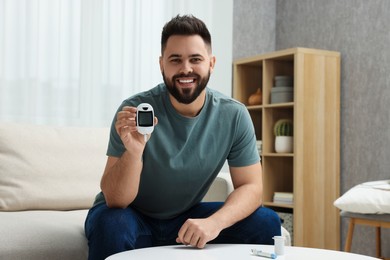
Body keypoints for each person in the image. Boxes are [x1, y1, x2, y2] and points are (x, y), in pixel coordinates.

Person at [84, 14, 281, 260]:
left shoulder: (234, 115)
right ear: (161, 64)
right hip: (130, 215)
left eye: (195, 59)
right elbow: (116, 200)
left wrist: (214, 223)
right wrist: (134, 153)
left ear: (211, 63)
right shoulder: (133, 111)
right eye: (175, 59)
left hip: (183, 219)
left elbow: (252, 187)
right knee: (111, 224)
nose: (185, 68)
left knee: (266, 221)